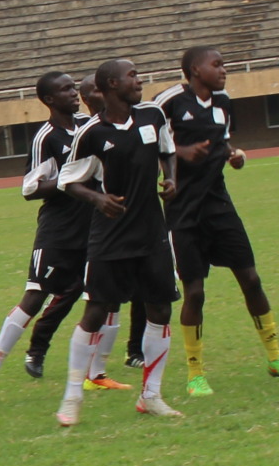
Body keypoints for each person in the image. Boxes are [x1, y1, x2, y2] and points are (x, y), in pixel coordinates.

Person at [153, 47, 279, 395]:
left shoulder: (222, 101)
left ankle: (276, 357)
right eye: (216, 64)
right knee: (195, 292)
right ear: (194, 69)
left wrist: (234, 155)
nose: (224, 70)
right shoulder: (169, 101)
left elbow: (224, 141)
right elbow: (145, 143)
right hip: (182, 211)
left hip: (219, 205)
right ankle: (195, 374)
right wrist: (179, 154)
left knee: (251, 278)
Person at [53, 60, 183, 425]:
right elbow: (69, 180)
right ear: (112, 84)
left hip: (152, 232)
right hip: (110, 236)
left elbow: (167, 151)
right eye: (133, 76)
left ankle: (151, 395)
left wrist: (170, 179)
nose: (139, 81)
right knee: (96, 311)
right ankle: (72, 395)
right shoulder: (92, 133)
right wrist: (98, 199)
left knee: (160, 309)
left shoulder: (153, 116)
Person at [0, 72, 101, 403]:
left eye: (74, 87)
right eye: (65, 90)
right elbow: (30, 188)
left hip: (93, 225)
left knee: (102, 293)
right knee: (35, 297)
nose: (74, 94)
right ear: (49, 100)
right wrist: (66, 182)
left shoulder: (88, 126)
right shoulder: (46, 137)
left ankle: (96, 374)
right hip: (58, 231)